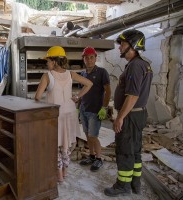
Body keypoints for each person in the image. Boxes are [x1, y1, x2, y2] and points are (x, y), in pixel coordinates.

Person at [104, 30, 153, 197]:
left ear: (133, 46)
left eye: (123, 45)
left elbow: (132, 95)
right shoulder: (143, 64)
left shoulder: (135, 66)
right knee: (135, 150)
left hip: (130, 116)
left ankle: (122, 186)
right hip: (138, 114)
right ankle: (135, 183)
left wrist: (120, 117)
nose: (119, 48)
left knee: (125, 150)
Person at [35, 46, 93, 183]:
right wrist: (77, 96)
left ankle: (59, 175)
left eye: (48, 61)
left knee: (55, 145)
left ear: (54, 61)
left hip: (55, 115)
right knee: (66, 144)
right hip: (70, 113)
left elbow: (37, 97)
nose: (47, 64)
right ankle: (65, 172)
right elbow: (89, 83)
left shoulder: (47, 76)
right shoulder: (71, 74)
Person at [79, 47, 111, 172]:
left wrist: (104, 107)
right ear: (83, 59)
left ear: (95, 58)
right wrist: (78, 108)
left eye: (91, 57)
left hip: (95, 110)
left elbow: (108, 90)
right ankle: (91, 156)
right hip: (84, 109)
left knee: (93, 136)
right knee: (87, 134)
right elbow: (82, 92)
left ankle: (99, 159)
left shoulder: (102, 72)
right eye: (86, 57)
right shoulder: (83, 74)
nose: (89, 60)